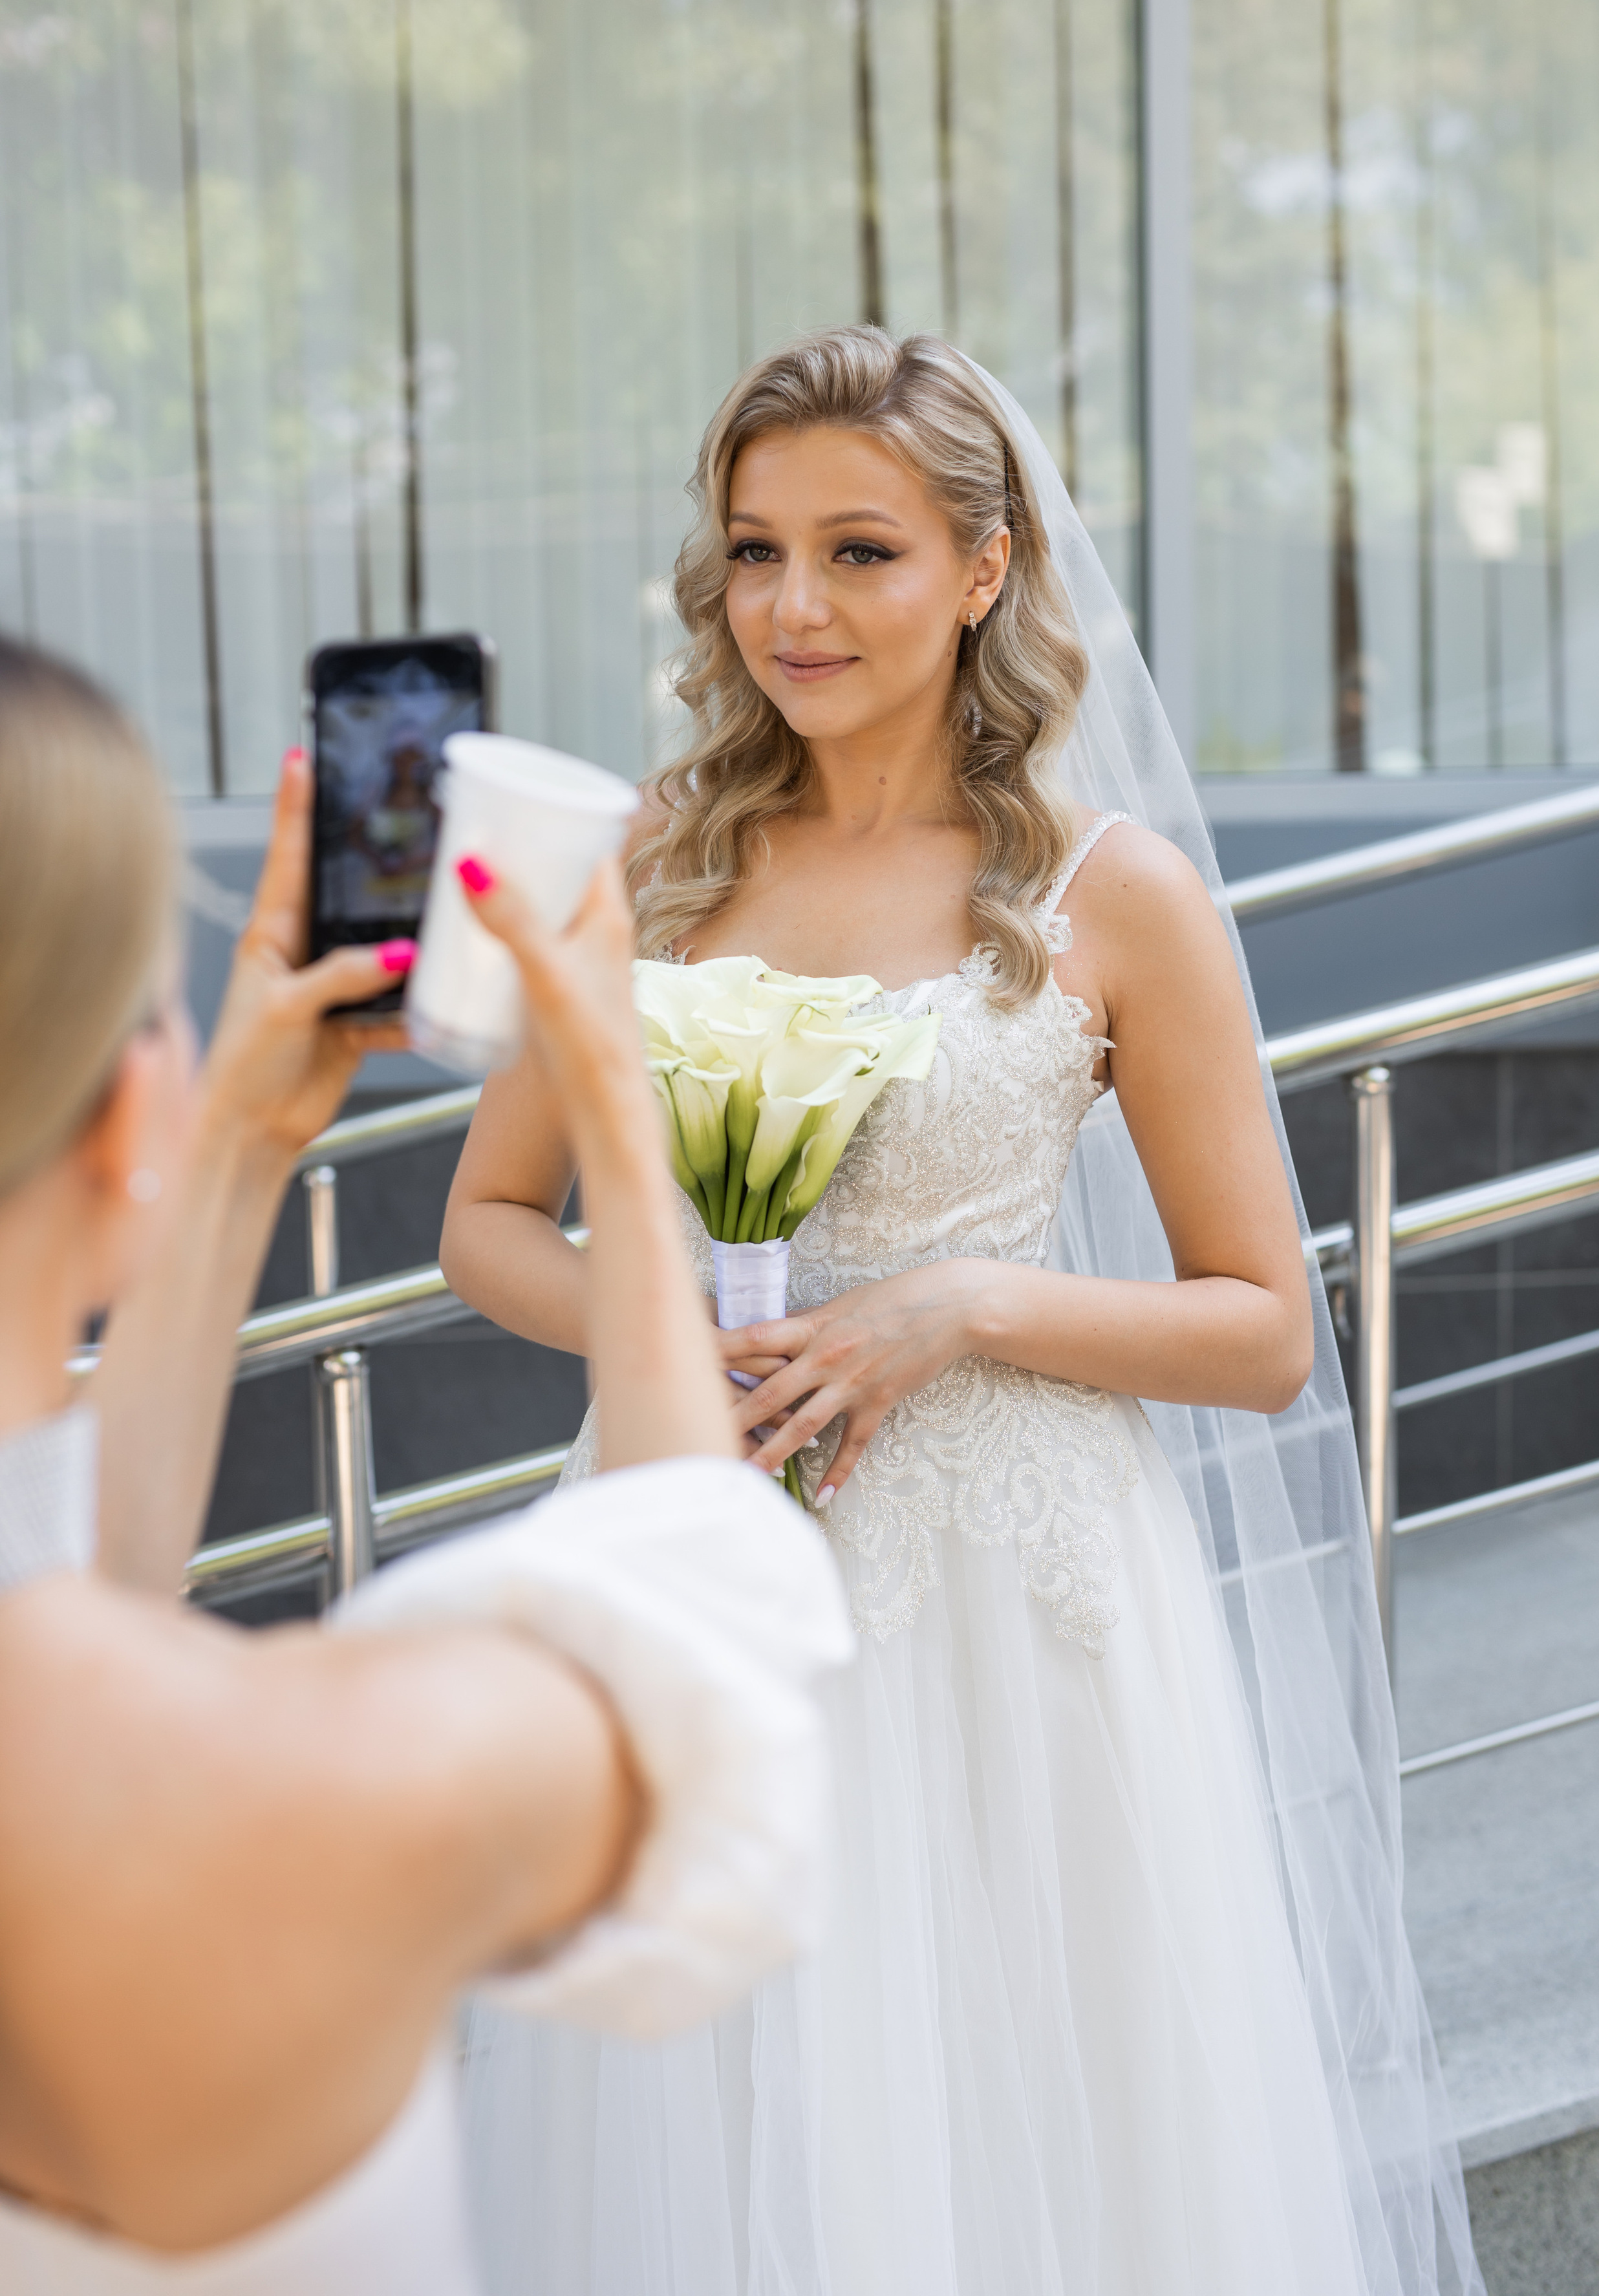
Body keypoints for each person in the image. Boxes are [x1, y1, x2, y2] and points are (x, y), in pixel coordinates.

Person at [441, 328, 1484, 2296]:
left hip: (1017, 1617)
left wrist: (963, 1303)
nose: (794, 608)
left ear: (986, 567)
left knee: (1042, 2141)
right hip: (691, 1541)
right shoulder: (649, 865)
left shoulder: (1116, 893)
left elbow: (1264, 1327)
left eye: (861, 552)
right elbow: (487, 1224)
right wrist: (659, 1321)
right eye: (755, 553)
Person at [0, 636, 852, 2291]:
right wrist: (614, 1099)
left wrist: (241, 1138)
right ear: (122, 1121)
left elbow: (74, 1568)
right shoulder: (262, 1784)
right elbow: (710, 1688)